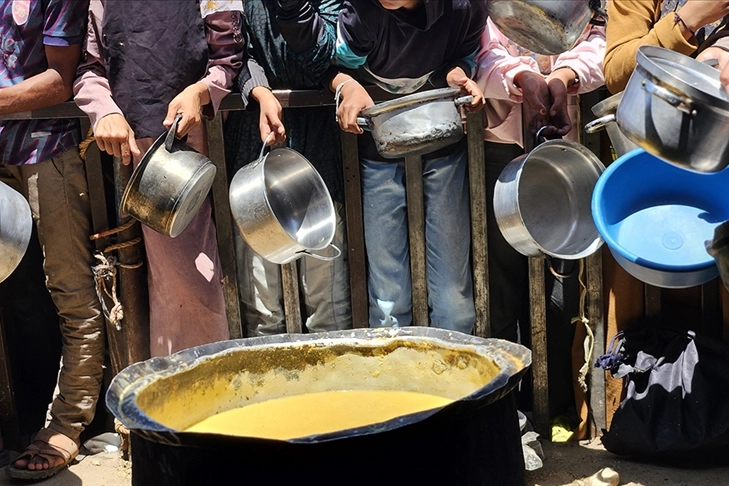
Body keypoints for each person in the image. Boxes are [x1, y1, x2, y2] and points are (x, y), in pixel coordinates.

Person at [73, 0, 249, 356]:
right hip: (130, 153)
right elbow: (90, 68)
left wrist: (200, 91)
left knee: (198, 283)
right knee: (154, 285)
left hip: (195, 146)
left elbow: (228, 56)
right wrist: (104, 111)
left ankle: (207, 381)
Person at [475, 18, 606, 438]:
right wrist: (522, 77)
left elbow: (600, 41)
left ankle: (556, 403)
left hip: (566, 149)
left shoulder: (585, 9)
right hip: (499, 145)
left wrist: (564, 77)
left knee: (563, 287)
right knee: (500, 284)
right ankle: (506, 408)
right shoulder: (491, 10)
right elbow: (482, 51)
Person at [603, 0, 729, 426]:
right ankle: (627, 423)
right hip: (650, 182)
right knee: (637, 302)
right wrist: (688, 20)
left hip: (720, 177)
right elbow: (617, 71)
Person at [330, 0, 487, 334]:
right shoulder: (363, 11)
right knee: (387, 297)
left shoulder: (465, 8)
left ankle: (454, 362)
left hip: (444, 147)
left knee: (453, 295)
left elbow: (464, 55)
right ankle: (392, 361)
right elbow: (336, 65)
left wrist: (459, 76)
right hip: (377, 153)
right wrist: (349, 86)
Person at [0, 0, 105, 478]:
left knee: (70, 290)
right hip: (5, 156)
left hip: (47, 149)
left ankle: (67, 423)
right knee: (16, 298)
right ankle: (16, 421)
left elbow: (60, 80)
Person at [224, 0, 352, 336]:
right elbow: (233, 51)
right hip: (256, 138)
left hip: (318, 141)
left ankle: (332, 367)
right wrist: (261, 92)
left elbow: (323, 55)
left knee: (326, 299)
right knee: (264, 308)